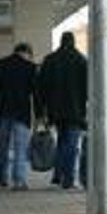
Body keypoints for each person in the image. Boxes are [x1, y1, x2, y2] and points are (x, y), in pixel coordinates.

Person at [37, 31, 88, 189]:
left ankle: (58, 175)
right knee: (71, 145)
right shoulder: (81, 60)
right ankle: (69, 179)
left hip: (55, 110)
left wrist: (42, 110)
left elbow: (41, 87)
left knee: (61, 141)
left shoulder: (50, 60)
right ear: (73, 42)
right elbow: (87, 87)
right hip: (75, 110)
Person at [0, 43, 39, 190]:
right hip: (21, 113)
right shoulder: (30, 68)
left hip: (2, 112)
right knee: (20, 148)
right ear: (27, 53)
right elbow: (36, 94)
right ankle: (19, 181)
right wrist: (40, 114)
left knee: (2, 147)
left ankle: (1, 177)